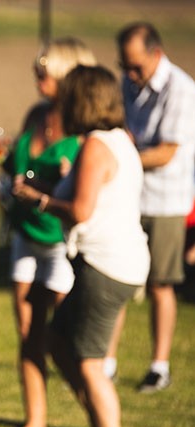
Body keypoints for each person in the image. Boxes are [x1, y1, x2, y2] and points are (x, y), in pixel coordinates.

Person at [14, 64, 150, 427]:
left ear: (82, 101)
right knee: (57, 341)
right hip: (118, 261)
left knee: (90, 361)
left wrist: (38, 199)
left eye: (69, 96)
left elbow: (81, 211)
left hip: (104, 266)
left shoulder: (94, 145)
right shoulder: (119, 141)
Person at [0, 37, 96, 427]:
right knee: (29, 334)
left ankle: (97, 423)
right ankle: (36, 419)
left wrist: (66, 176)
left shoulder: (84, 130)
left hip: (60, 242)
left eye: (43, 71)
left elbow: (89, 186)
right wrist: (3, 153)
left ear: (66, 75)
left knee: (67, 342)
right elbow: (20, 162)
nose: (37, 77)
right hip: (25, 235)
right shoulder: (36, 114)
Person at [105, 22, 195, 393]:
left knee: (160, 283)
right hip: (129, 197)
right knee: (117, 280)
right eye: (124, 65)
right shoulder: (128, 84)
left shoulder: (182, 90)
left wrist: (121, 157)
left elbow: (167, 151)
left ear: (156, 54)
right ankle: (106, 362)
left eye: (136, 66)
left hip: (165, 202)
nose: (129, 74)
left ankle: (159, 366)